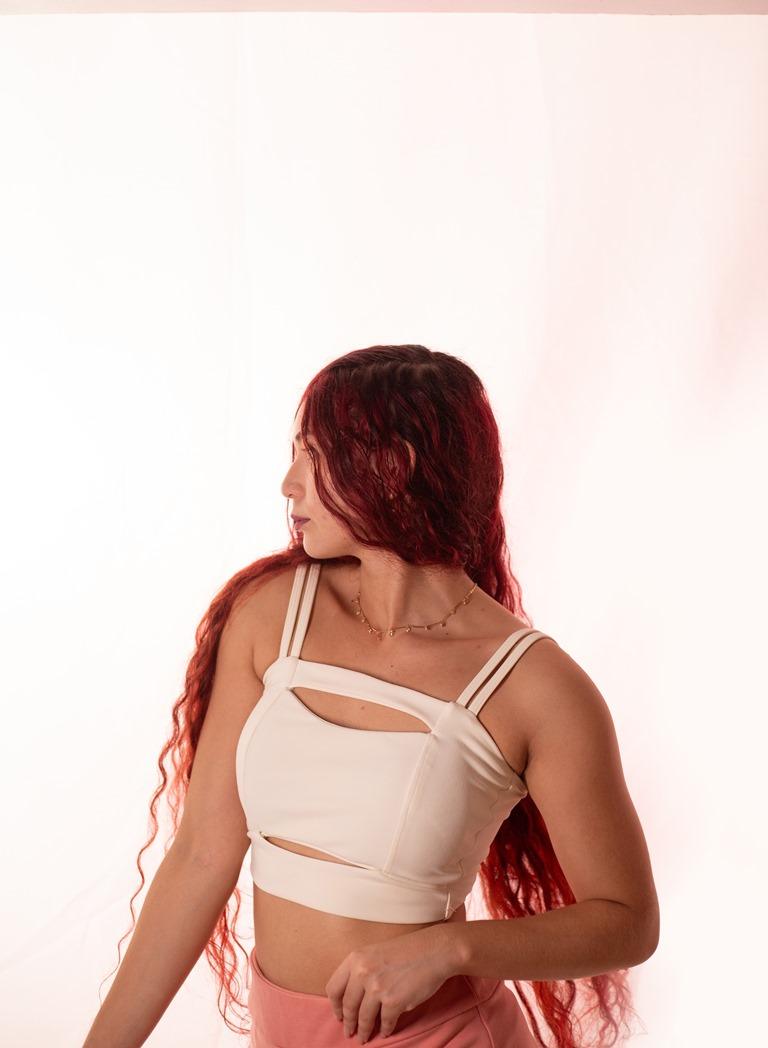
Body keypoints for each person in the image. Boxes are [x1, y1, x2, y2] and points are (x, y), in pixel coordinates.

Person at [83, 344, 659, 1048]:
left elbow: (627, 920)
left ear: (396, 464)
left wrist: (450, 949)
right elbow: (202, 854)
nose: (288, 484)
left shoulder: (537, 686)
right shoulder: (271, 616)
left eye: (314, 455)